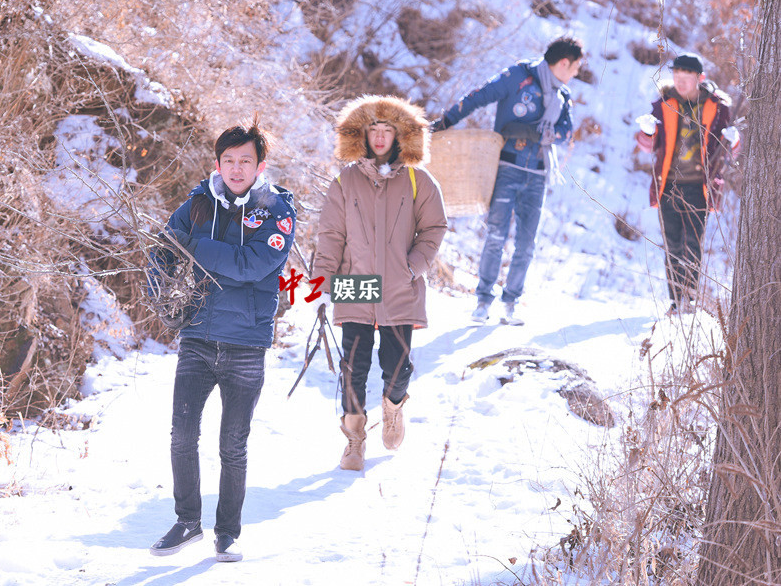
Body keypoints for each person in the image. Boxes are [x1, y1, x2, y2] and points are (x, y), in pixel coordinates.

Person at [146, 120, 296, 562]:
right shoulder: (197, 204)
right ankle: (187, 521)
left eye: (244, 161)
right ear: (217, 163)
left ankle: (226, 531)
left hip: (246, 344)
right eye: (228, 160)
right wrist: (162, 295)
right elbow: (162, 250)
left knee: (233, 444)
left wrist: (195, 249)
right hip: (197, 335)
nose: (235, 168)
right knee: (181, 435)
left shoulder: (277, 210)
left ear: (259, 165)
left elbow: (252, 265)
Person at [312, 95, 447, 471]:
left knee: (398, 366)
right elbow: (330, 235)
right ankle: (354, 441)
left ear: (401, 135)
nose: (381, 137)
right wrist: (321, 284)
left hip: (400, 284)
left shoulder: (419, 181)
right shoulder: (345, 182)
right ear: (363, 135)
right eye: (375, 130)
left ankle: (393, 407)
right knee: (352, 368)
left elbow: (434, 228)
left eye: (388, 130)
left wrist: (412, 266)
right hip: (355, 284)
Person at [430, 36, 584, 325]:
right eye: (575, 67)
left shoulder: (563, 95)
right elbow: (479, 96)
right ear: (564, 63)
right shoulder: (518, 76)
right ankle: (483, 299)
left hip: (538, 173)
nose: (576, 73)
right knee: (496, 235)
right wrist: (446, 122)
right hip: (506, 167)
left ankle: (510, 302)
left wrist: (538, 135)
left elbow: (567, 132)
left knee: (526, 243)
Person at [635, 53, 739, 314]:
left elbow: (729, 151)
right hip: (668, 183)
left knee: (693, 242)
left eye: (686, 77)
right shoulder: (664, 104)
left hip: (699, 185)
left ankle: (689, 300)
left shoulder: (718, 108)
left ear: (699, 78)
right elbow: (649, 146)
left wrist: (735, 141)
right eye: (676, 76)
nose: (680, 82)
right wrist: (647, 133)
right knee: (672, 243)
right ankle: (675, 301)